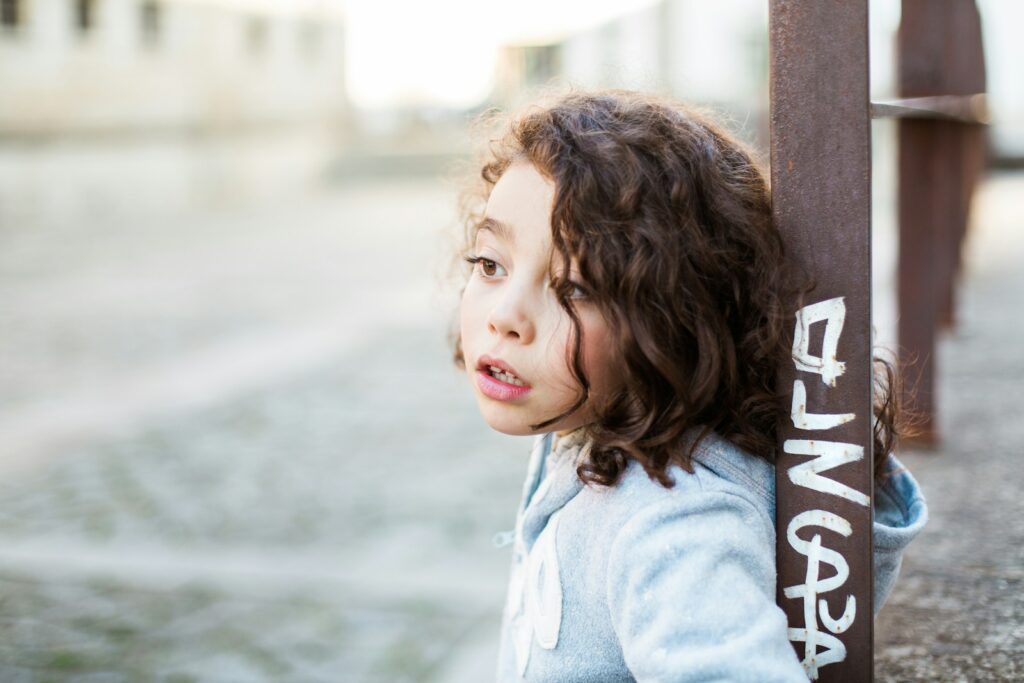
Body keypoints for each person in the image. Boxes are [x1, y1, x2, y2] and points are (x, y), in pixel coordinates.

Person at [448, 88, 928, 681]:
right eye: (491, 264)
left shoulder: (673, 523)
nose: (504, 316)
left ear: (677, 319)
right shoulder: (595, 416)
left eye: (577, 287)